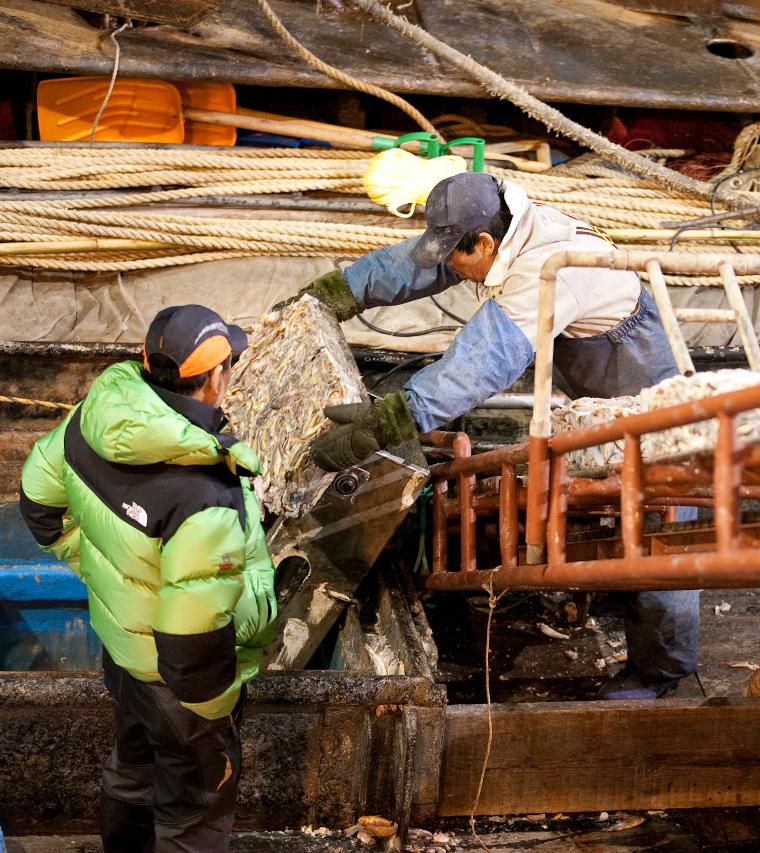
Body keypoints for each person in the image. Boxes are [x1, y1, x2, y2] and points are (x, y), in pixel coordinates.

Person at [296, 171, 699, 699]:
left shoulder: (548, 272)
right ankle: (615, 604)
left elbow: (478, 366)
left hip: (654, 397)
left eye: (459, 258)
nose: (452, 270)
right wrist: (339, 292)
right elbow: (420, 262)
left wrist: (391, 420)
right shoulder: (501, 220)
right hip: (604, 393)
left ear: (486, 243)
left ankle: (661, 671)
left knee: (660, 524)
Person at [19, 305, 277, 853]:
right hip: (177, 685)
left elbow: (39, 502)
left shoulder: (96, 416)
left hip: (121, 651)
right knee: (194, 813)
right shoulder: (204, 494)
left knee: (132, 769)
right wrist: (213, 715)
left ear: (147, 361)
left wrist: (97, 566)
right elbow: (191, 647)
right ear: (214, 378)